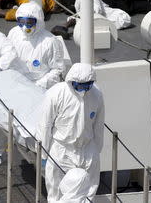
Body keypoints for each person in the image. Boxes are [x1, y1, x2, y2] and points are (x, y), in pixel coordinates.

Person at [37, 63, 104, 202]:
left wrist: (96, 150)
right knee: (56, 186)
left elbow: (98, 125)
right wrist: (44, 153)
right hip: (62, 149)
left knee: (89, 187)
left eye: (87, 85)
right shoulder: (56, 93)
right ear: (71, 81)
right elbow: (45, 125)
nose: (83, 90)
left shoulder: (96, 95)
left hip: (87, 148)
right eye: (79, 85)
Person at [8, 2, 64, 89]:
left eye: (29, 22)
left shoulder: (50, 42)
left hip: (39, 87)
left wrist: (39, 85)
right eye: (21, 22)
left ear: (39, 21)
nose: (25, 27)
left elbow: (57, 69)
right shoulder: (14, 33)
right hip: (15, 83)